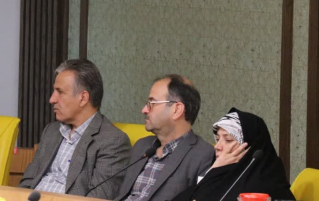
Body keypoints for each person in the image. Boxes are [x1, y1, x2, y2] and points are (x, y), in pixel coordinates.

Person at [19, 59, 132, 199]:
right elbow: (27, 183)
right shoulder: (51, 131)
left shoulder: (112, 141)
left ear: (83, 98)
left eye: (60, 92)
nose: (52, 99)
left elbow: (98, 198)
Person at [114, 74, 214, 201]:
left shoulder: (203, 155)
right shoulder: (142, 146)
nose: (144, 110)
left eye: (152, 103)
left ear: (177, 110)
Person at [172, 108, 296, 201]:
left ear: (250, 147)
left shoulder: (264, 185)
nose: (217, 146)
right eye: (217, 139)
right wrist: (213, 171)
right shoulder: (220, 174)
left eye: (228, 140)